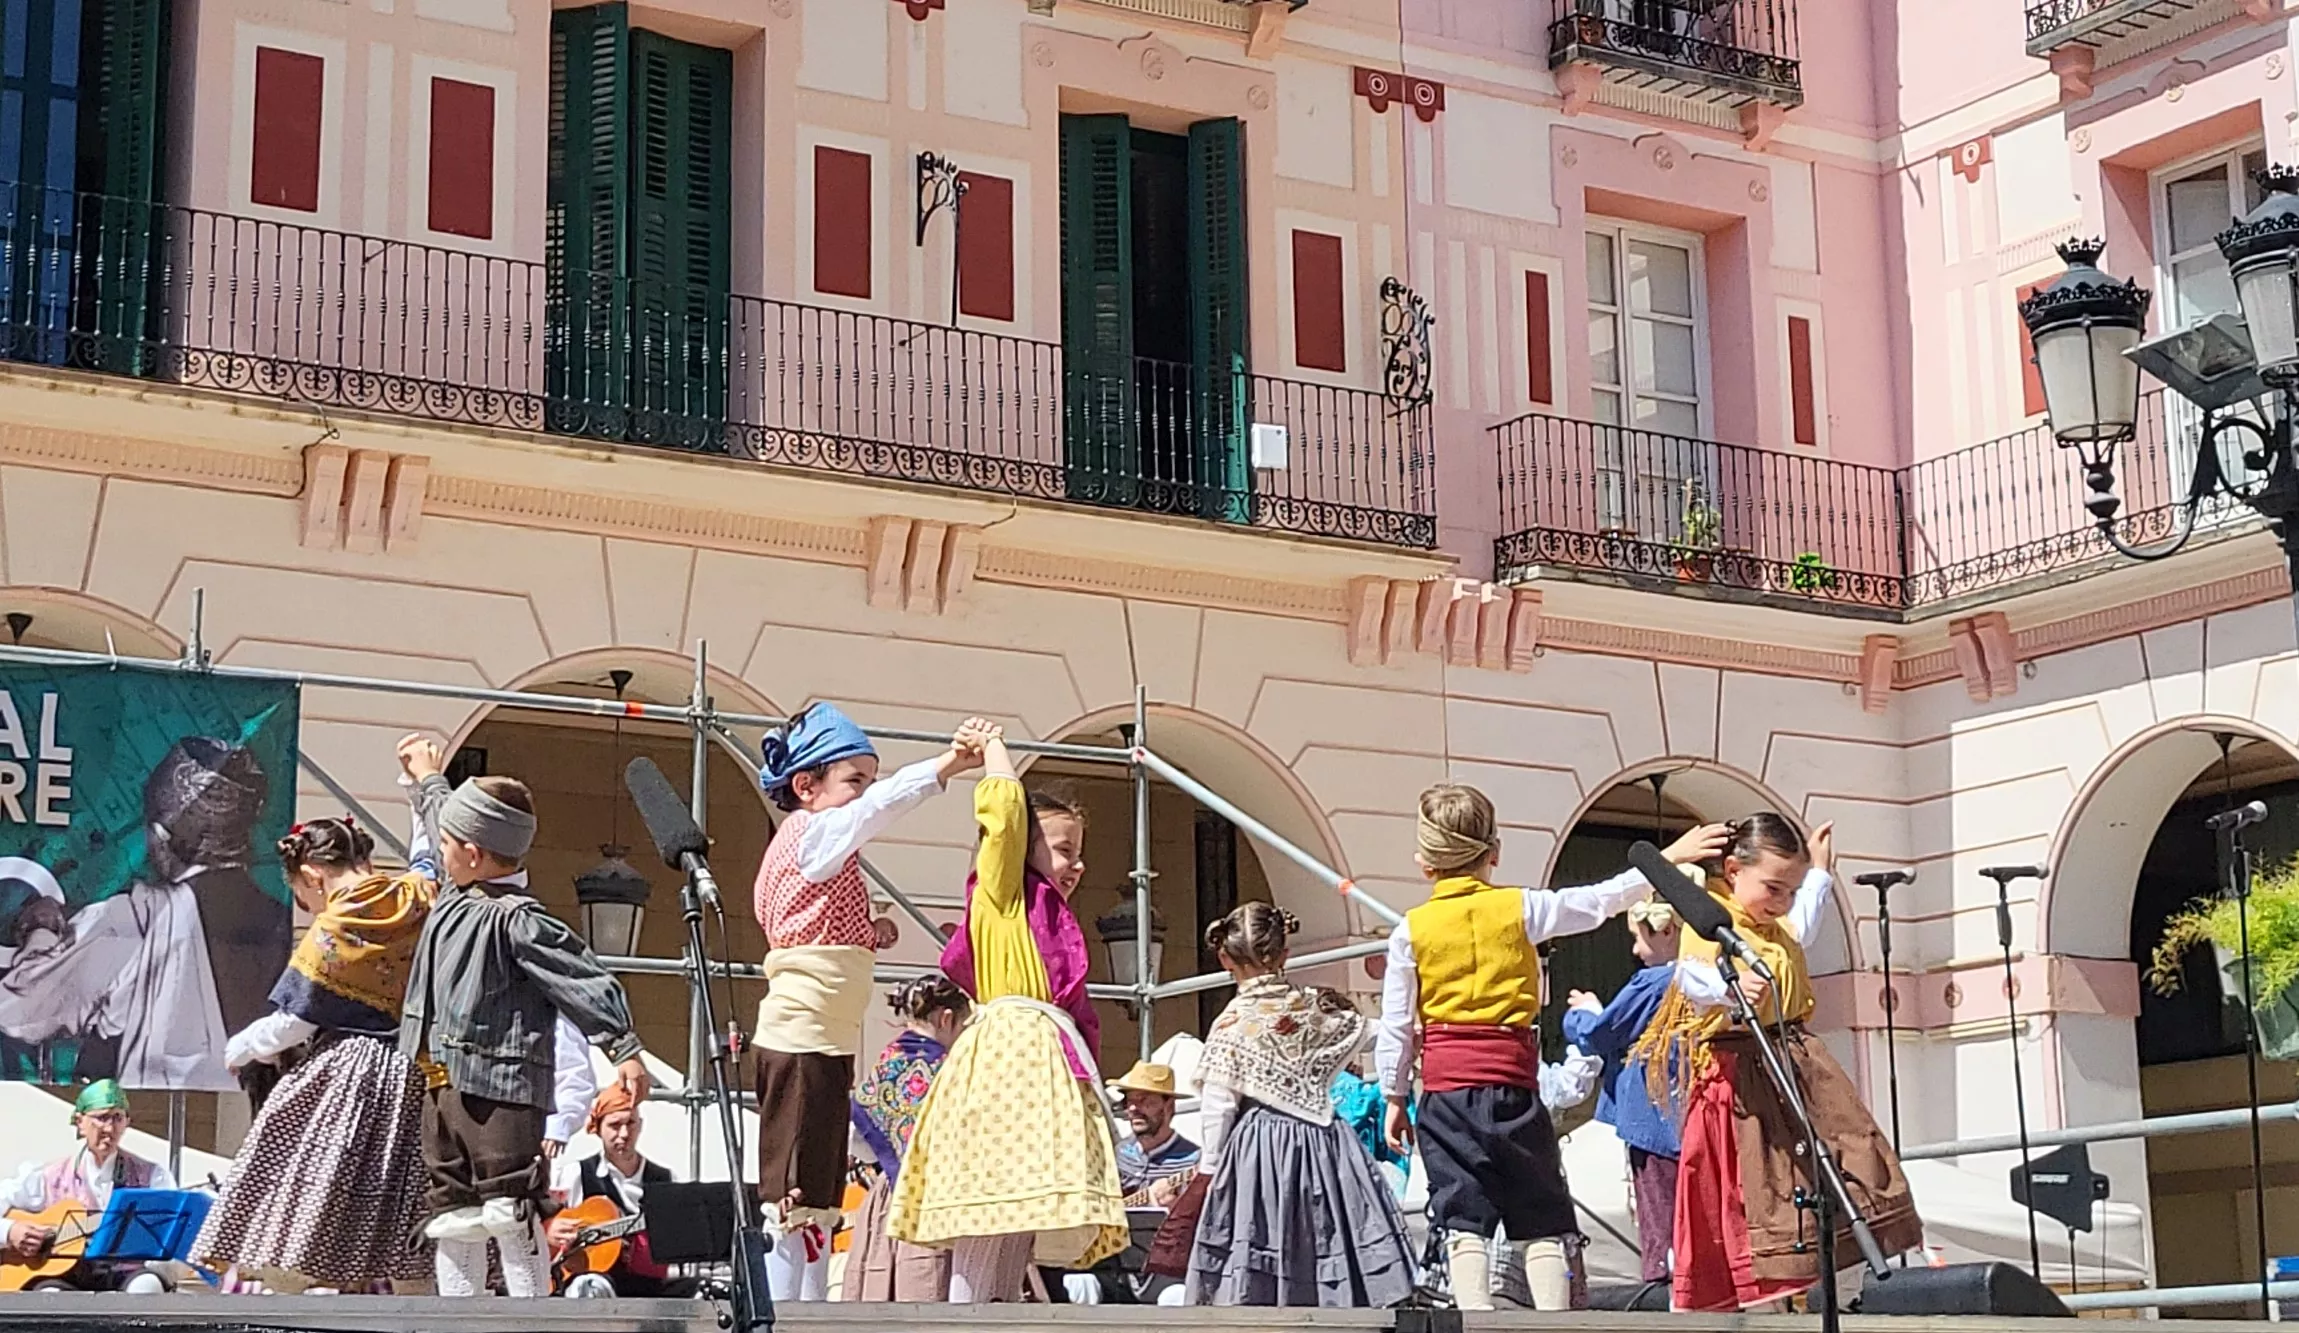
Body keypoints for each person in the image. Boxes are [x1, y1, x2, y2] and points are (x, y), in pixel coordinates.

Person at [1373, 783, 1725, 1312]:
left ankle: (1475, 1317)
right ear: (1494, 853)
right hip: (1513, 1084)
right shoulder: (1521, 908)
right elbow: (1599, 901)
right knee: (1539, 1210)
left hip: (1446, 1091)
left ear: (1425, 864)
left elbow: (1397, 1024)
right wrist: (1664, 861)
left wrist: (1394, 1095)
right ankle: (1556, 1322)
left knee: (1460, 1210)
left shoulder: (1410, 931)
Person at [1632, 815, 1923, 1312]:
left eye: (1789, 889)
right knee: (1758, 1192)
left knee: (1843, 1168)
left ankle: (1849, 1293)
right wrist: (1730, 990)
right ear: (1732, 870)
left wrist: (1821, 873)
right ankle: (1760, 1304)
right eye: (1772, 887)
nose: (1781, 901)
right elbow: (1690, 978)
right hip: (1741, 1077)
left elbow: (1802, 922)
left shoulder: (1777, 927)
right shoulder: (1710, 920)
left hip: (1798, 1067)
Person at [397, 736, 653, 1300]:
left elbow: (582, 977)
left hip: (502, 1087)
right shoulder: (456, 893)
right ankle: (461, 1318)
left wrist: (623, 1046)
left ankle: (532, 1314)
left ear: (472, 852)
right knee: (453, 1211)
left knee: (510, 1206)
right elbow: (450, 815)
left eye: (444, 845)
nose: (438, 851)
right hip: (442, 1083)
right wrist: (428, 778)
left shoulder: (517, 920)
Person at [887, 728, 1127, 1303]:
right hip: (1008, 1060)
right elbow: (1003, 816)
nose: (1077, 864)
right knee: (991, 1204)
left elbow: (1079, 1011)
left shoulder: (1051, 919)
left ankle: (995, 1310)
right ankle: (967, 1315)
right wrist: (993, 748)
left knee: (1019, 1213)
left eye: (1077, 851)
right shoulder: (1003, 895)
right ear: (1022, 846)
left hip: (1041, 1062)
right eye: (1064, 848)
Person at [752, 704, 982, 1299]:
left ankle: (805, 1311)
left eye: (866, 781)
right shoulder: (814, 833)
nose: (864, 795)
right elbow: (883, 807)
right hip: (802, 1038)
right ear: (807, 786)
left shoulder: (820, 848)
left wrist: (867, 932)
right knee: (794, 1196)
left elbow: (807, 925)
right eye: (853, 780)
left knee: (821, 1193)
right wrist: (949, 764)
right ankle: (785, 1313)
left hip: (822, 1040)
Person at [192, 814, 437, 1292]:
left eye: (302, 895)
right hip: (420, 1068)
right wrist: (417, 796)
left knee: (299, 1178)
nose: (305, 906)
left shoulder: (334, 928)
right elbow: (426, 859)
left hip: (354, 1070)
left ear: (312, 875)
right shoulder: (414, 895)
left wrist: (240, 1046)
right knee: (408, 1202)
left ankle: (289, 1291)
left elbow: (297, 1018)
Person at [1181, 903, 1414, 1308]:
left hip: (1258, 1147)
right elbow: (1375, 1033)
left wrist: (1211, 1168)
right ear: (1285, 954)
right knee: (1329, 1239)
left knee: (1261, 1245)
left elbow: (1219, 1105)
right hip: (1327, 1143)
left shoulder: (1232, 1023)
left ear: (1224, 958)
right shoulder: (1314, 1008)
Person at [1562, 898, 1684, 1285]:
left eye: (1638, 938)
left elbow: (1599, 1034)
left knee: (1657, 1207)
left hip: (1653, 1115)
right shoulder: (1708, 978)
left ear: (1666, 932)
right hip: (1691, 1110)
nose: (1634, 950)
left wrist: (1584, 1011)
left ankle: (1662, 1280)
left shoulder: (1653, 983)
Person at [843, 974, 971, 1302]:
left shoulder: (887, 1062)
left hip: (888, 1199)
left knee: (882, 1297)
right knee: (929, 1290)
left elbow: (860, 1141)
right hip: (933, 1203)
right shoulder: (950, 1070)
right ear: (946, 1019)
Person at [0, 1080, 175, 1291]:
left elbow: (172, 1229)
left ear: (127, 1122)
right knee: (50, 1296)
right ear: (80, 1122)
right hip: (65, 1275)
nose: (109, 1128)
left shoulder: (151, 1176)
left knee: (147, 1286)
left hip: (124, 1273)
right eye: (101, 1118)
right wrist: (11, 1230)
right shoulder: (48, 1176)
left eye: (117, 1118)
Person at [547, 1085, 691, 1299]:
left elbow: (683, 1242)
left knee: (708, 1293)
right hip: (594, 1279)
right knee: (590, 1288)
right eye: (615, 1125)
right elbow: (543, 1223)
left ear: (640, 1125)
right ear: (598, 1128)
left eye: (630, 1124)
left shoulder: (666, 1179)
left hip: (650, 1283)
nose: (624, 1134)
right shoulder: (576, 1174)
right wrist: (551, 1231)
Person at [1111, 1063, 1198, 1204]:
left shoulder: (1191, 1160)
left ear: (1169, 1107)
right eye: (1130, 1101)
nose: (1133, 1108)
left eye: (1144, 1101)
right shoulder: (1119, 1153)